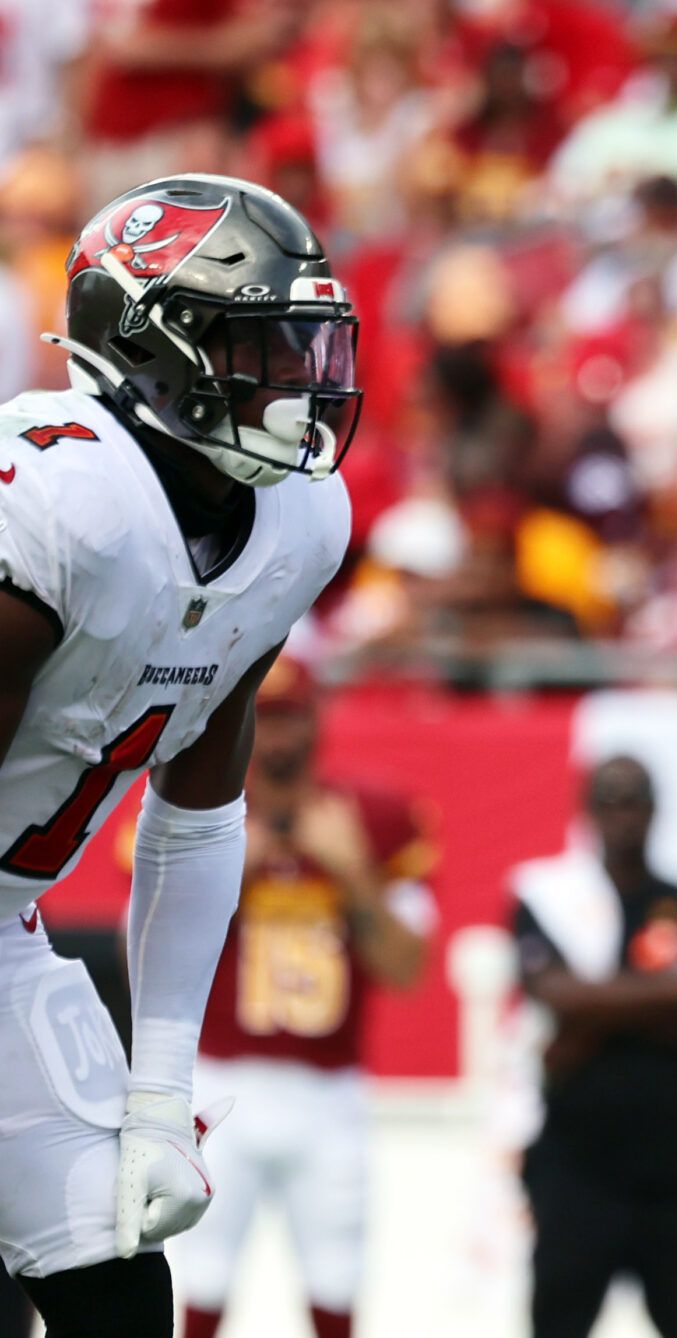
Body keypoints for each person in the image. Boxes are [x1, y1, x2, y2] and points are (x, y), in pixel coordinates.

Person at [0, 173, 356, 1337]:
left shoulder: (300, 523)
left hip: (5, 925)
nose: (303, 381)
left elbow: (197, 815)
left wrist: (158, 1099)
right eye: (264, 346)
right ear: (153, 351)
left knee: (115, 1285)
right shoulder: (61, 504)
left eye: (309, 345)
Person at [168, 657, 435, 1338]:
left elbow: (407, 968)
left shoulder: (371, 819)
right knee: (200, 1281)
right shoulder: (205, 817)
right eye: (268, 718)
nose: (280, 739)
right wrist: (226, 874)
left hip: (330, 1089)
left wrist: (352, 874)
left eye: (292, 717)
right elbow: (143, 954)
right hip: (222, 1082)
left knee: (336, 1285)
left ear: (317, 720)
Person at [509, 756, 677, 1338]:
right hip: (580, 1161)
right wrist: (669, 996)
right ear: (586, 810)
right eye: (609, 799)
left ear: (655, 810)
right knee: (559, 1320)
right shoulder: (548, 899)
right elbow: (557, 996)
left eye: (634, 799)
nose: (622, 814)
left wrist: (597, 1008)